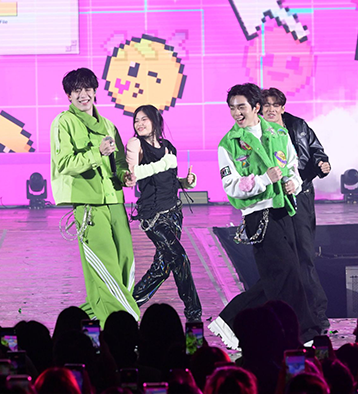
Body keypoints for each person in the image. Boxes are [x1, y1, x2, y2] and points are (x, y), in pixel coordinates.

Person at [208, 83, 318, 350]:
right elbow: (231, 186)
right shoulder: (228, 144)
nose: (236, 113)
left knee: (282, 275)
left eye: (241, 107)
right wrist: (263, 180)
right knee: (285, 272)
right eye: (232, 108)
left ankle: (233, 322)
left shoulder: (279, 133)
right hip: (258, 215)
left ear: (256, 107)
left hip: (284, 209)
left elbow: (292, 165)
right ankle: (304, 333)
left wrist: (294, 183)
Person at [50, 67, 138, 325]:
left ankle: (80, 323)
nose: (83, 95)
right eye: (76, 90)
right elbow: (64, 163)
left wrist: (125, 176)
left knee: (125, 265)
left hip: (115, 201)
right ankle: (128, 324)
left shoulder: (109, 125)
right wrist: (96, 153)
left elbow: (118, 162)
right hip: (89, 204)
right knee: (104, 266)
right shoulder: (63, 122)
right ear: (68, 95)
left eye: (87, 89)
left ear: (95, 91)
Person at [261, 88, 331, 330]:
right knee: (280, 259)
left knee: (304, 255)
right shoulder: (256, 131)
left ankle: (316, 314)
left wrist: (322, 163)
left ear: (282, 107)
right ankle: (283, 315)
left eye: (275, 105)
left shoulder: (298, 126)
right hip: (272, 199)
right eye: (266, 105)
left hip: (300, 195)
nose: (271, 109)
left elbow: (316, 151)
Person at [125, 104, 202, 321]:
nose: (139, 124)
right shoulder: (135, 144)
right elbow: (132, 175)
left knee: (161, 268)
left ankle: (126, 307)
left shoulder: (168, 147)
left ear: (155, 121)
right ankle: (194, 314)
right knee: (180, 259)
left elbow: (169, 180)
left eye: (144, 119)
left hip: (174, 212)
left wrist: (186, 182)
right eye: (136, 120)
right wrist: (163, 163)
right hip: (153, 216)